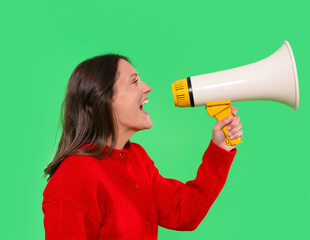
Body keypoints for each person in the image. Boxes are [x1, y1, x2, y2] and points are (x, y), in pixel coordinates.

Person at [42, 54, 243, 239]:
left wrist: (220, 147)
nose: (147, 87)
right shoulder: (74, 176)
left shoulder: (136, 158)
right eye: (134, 81)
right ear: (102, 97)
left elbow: (184, 212)